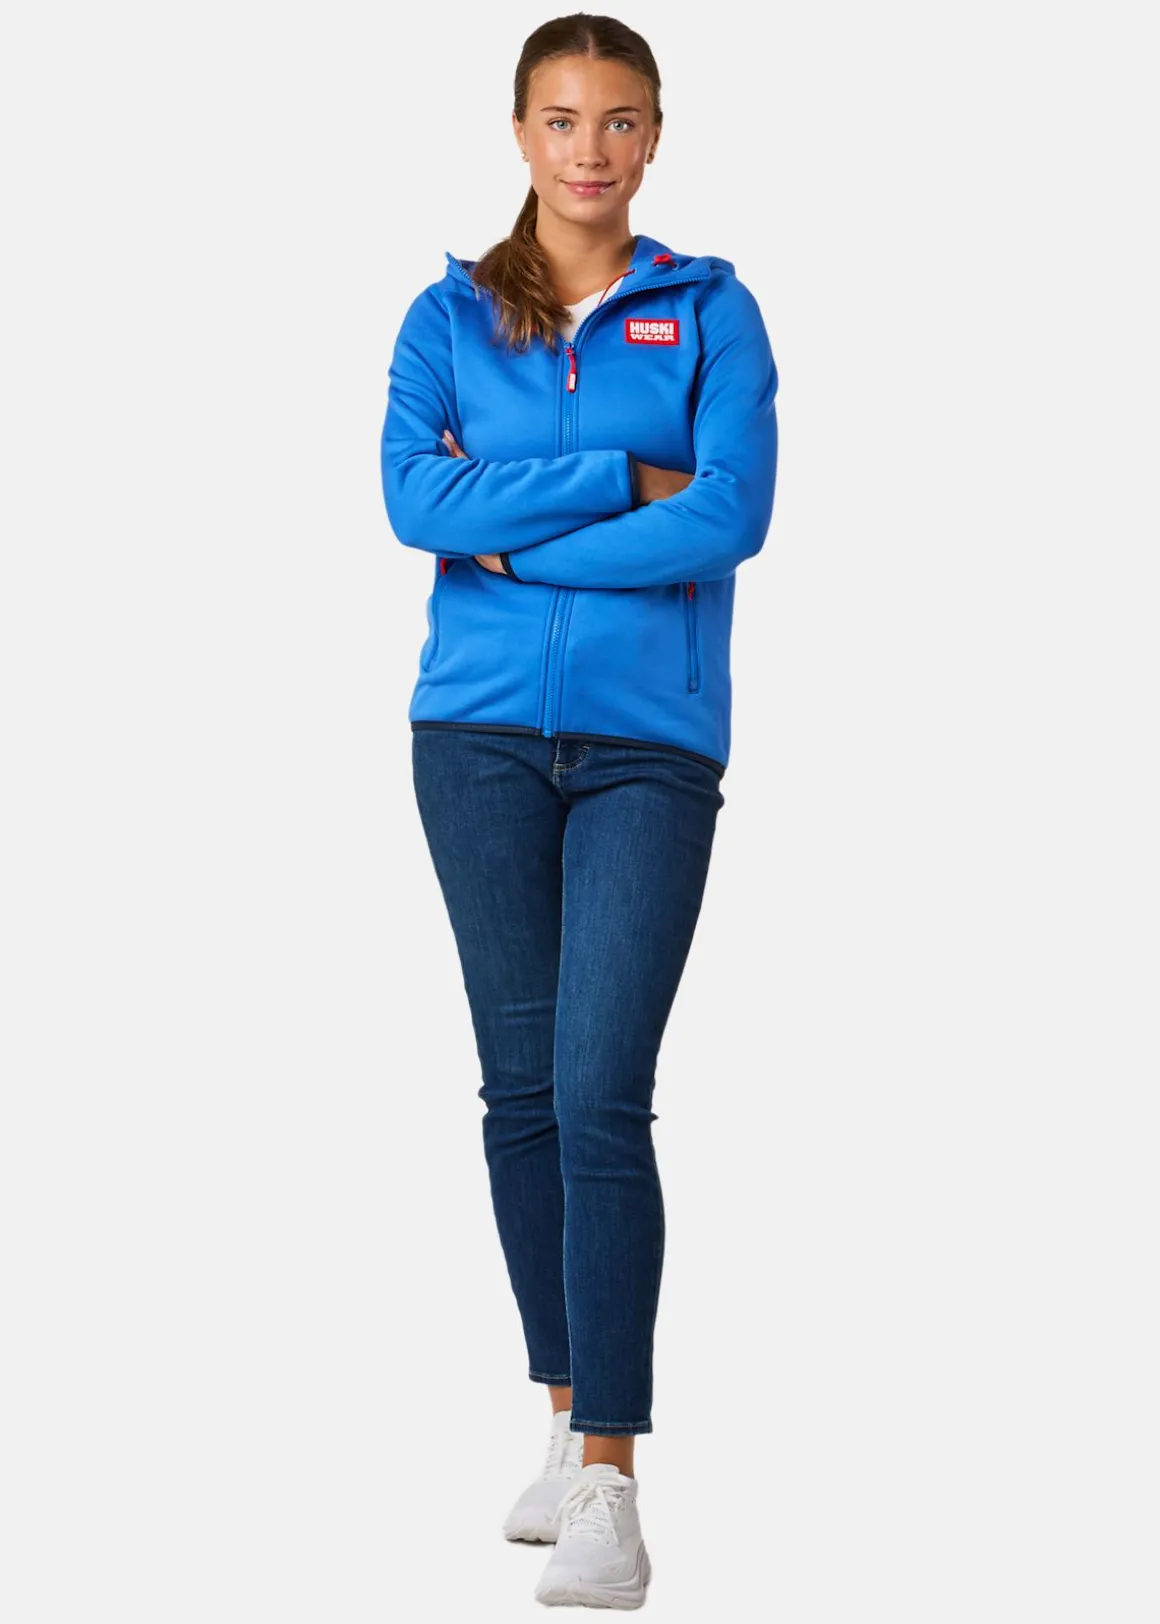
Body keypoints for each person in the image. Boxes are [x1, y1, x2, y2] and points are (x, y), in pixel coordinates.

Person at [380, 12, 778, 1610]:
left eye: (619, 121)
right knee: (523, 1093)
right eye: (562, 119)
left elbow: (732, 516)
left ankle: (612, 1475)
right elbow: (411, 498)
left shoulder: (716, 310)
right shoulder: (446, 315)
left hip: (647, 747)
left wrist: (510, 534)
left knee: (604, 1089)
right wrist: (620, 478)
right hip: (473, 740)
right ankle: (561, 1415)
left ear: (656, 136)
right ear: (521, 135)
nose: (591, 150)